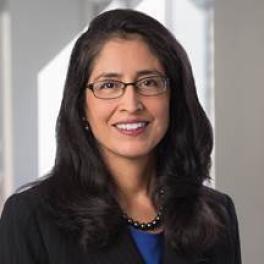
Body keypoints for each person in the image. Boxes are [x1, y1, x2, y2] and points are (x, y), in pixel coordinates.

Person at [0, 9, 241, 264]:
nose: (131, 103)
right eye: (109, 85)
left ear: (174, 97)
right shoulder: (30, 218)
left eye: (149, 82)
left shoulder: (217, 213)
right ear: (81, 106)